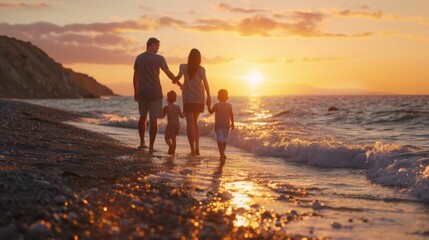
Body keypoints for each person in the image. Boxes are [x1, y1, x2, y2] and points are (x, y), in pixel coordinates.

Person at [133, 37, 179, 154]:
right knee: (153, 120)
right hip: (155, 93)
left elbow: (135, 76)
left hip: (142, 92)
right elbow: (167, 72)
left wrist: (136, 91)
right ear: (151, 45)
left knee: (142, 117)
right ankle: (151, 147)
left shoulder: (139, 58)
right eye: (157, 45)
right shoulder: (159, 58)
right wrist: (178, 82)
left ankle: (142, 142)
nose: (158, 48)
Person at [173, 48, 211, 155]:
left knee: (190, 123)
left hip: (188, 98)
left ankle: (192, 149)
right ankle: (197, 147)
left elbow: (179, 76)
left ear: (189, 57)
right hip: (199, 98)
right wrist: (208, 96)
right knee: (195, 123)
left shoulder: (183, 66)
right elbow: (206, 83)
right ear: (199, 59)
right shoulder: (202, 69)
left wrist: (176, 79)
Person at [207, 89, 234, 163]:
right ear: (227, 97)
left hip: (219, 125)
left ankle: (221, 154)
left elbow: (210, 112)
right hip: (226, 125)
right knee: (224, 140)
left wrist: (208, 105)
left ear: (218, 97)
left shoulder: (216, 105)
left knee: (220, 140)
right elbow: (231, 115)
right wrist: (233, 123)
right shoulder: (229, 105)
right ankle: (222, 153)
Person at [161, 90, 185, 155]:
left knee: (167, 138)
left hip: (170, 125)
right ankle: (173, 152)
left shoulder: (166, 107)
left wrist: (158, 111)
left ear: (167, 98)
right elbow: (182, 116)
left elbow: (162, 116)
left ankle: (170, 146)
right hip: (177, 125)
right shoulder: (177, 107)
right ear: (175, 99)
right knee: (174, 139)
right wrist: (186, 112)